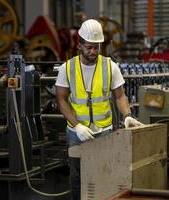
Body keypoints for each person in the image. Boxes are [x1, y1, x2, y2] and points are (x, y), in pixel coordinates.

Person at [55, 19, 143, 200]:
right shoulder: (67, 68)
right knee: (77, 178)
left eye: (97, 47)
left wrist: (127, 115)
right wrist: (76, 125)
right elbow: (61, 99)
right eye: (89, 47)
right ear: (79, 45)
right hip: (76, 133)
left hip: (104, 132)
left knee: (104, 176)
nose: (93, 51)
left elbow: (119, 95)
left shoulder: (110, 67)